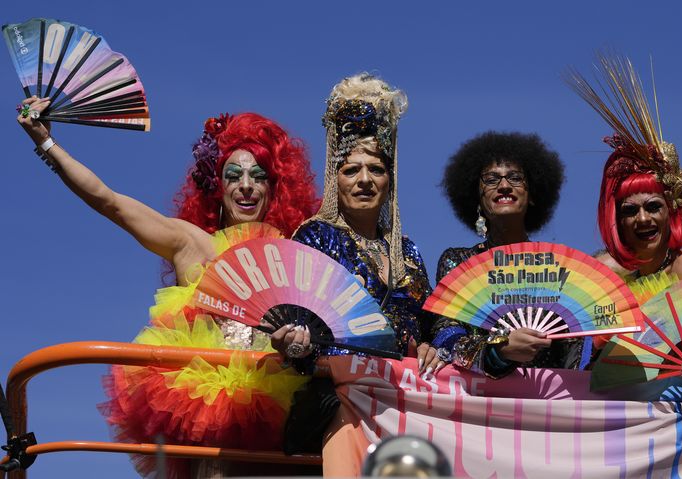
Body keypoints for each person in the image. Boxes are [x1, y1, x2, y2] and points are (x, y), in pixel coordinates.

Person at [15, 98, 320, 478]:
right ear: (217, 185)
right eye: (234, 175)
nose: (246, 187)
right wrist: (45, 142)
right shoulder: (191, 244)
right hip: (208, 406)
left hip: (279, 407)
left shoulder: (295, 252)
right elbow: (110, 202)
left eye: (259, 176)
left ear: (274, 188)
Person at [268, 73, 440, 453]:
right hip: (341, 410)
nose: (365, 180)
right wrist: (295, 344)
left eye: (376, 169)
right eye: (351, 170)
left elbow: (432, 325)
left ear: (390, 181)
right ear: (335, 180)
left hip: (405, 411)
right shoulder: (315, 238)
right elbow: (299, 332)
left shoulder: (408, 252)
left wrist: (433, 347)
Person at [566, 55, 682, 384]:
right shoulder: (608, 273)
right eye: (630, 211)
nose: (643, 218)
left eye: (653, 206)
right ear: (616, 220)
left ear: (671, 209)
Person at [432, 131, 589, 378]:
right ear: (478, 198)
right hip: (477, 406)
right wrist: (498, 350)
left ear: (533, 193)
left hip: (545, 406)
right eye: (491, 179)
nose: (504, 186)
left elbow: (575, 350)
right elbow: (445, 336)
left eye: (515, 178)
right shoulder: (459, 262)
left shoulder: (557, 268)